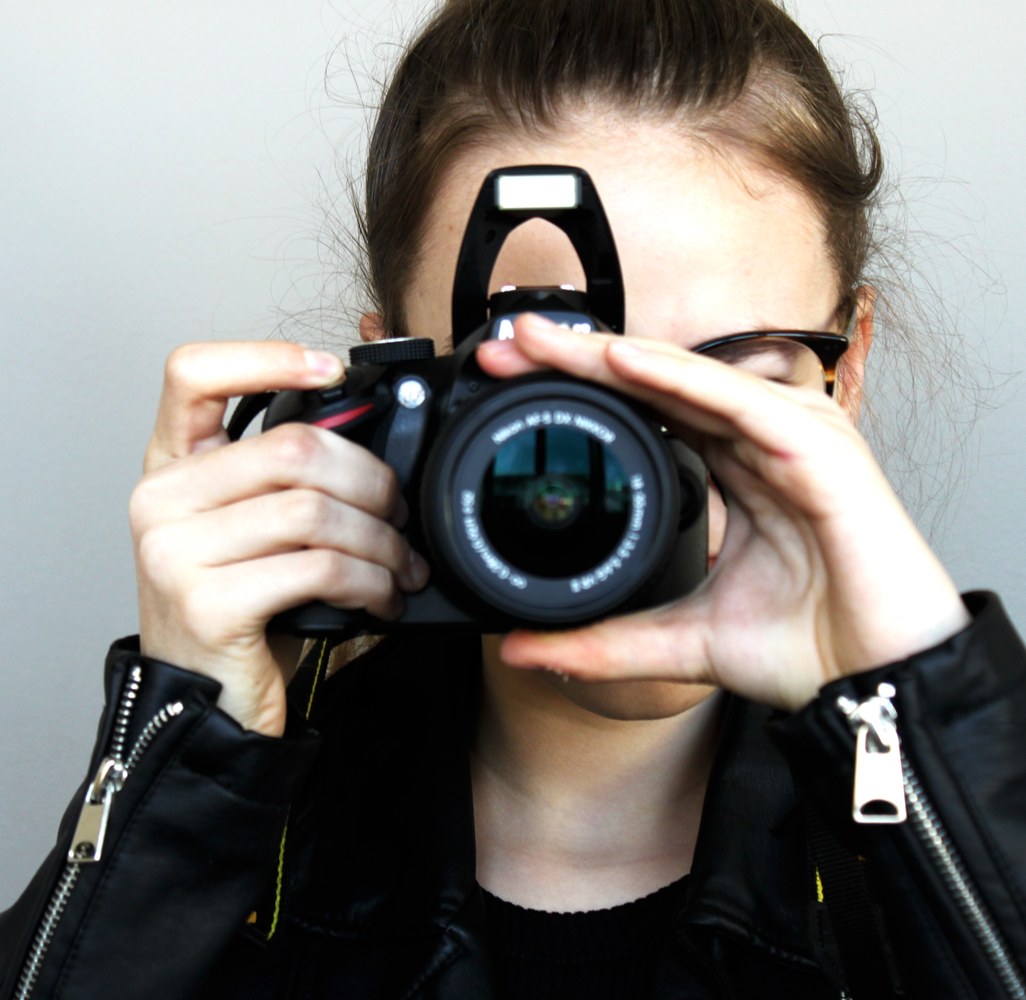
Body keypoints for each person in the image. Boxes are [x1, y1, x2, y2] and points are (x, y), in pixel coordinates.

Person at [2, 0, 1025, 997]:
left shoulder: (934, 826)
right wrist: (183, 764)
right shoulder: (247, 826)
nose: (635, 475)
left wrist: (922, 715)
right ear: (401, 396)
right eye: (544, 392)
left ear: (845, 375)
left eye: (732, 385)